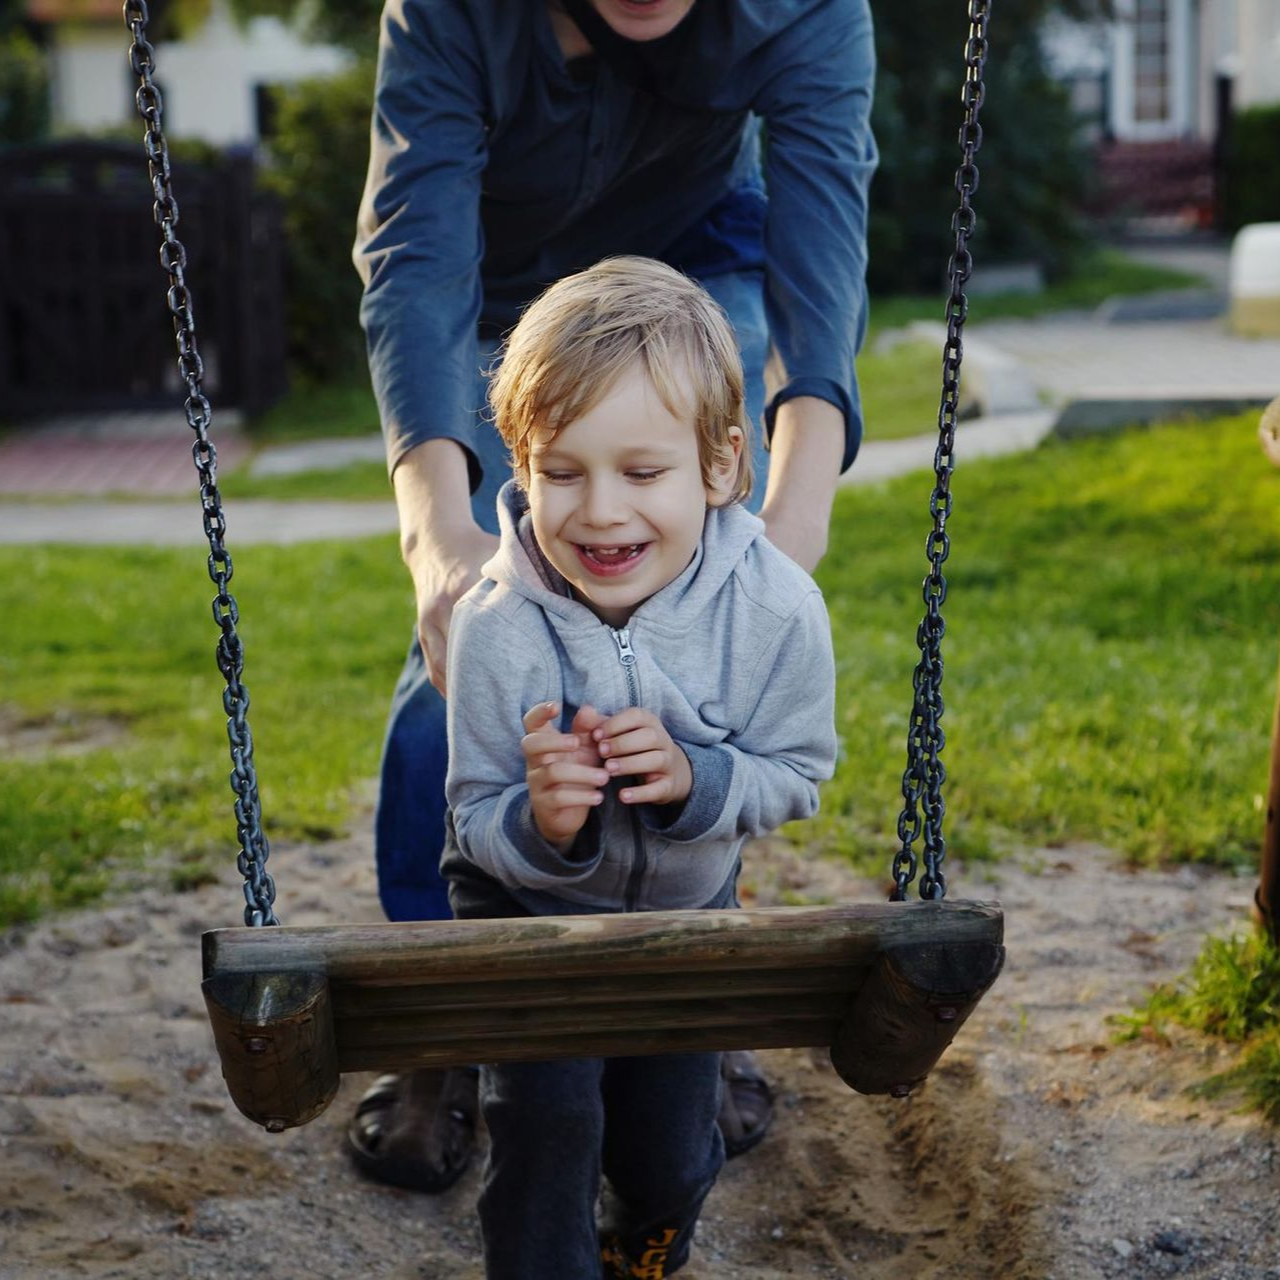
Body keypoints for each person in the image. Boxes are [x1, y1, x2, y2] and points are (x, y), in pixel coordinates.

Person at [350, 0, 876, 1191]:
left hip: (698, 284)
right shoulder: (447, 16)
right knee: (464, 662)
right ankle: (440, 1015)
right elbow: (416, 262)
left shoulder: (803, 10)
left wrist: (781, 546)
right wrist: (438, 545)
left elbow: (818, 260)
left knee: (689, 623)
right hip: (496, 304)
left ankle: (692, 1000)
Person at [442, 255, 837, 1279]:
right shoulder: (494, 626)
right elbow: (471, 817)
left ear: (720, 466)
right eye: (560, 471)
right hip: (524, 918)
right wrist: (541, 823)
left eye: (641, 471)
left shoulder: (775, 608)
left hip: (685, 911)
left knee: (667, 1149)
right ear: (519, 468)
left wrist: (700, 782)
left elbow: (796, 770)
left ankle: (645, 1244)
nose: (599, 511)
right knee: (547, 1126)